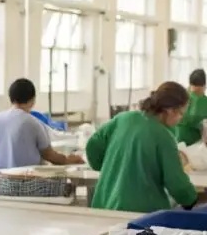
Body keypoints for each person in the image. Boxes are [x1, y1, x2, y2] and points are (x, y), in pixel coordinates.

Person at [85, 81, 198, 213]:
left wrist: (110, 169)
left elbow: (92, 147)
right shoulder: (164, 137)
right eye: (181, 113)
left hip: (105, 205)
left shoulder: (122, 119)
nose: (180, 119)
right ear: (169, 110)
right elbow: (177, 183)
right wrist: (191, 200)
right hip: (139, 212)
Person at [0, 78, 85, 170]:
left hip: (3, 184)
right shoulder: (33, 123)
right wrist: (68, 159)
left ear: (10, 98)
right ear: (32, 100)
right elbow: (49, 155)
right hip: (29, 184)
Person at [173, 68, 207, 147]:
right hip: (180, 140)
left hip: (199, 143)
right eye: (193, 86)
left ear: (204, 86)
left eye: (198, 87)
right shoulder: (182, 98)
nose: (195, 89)